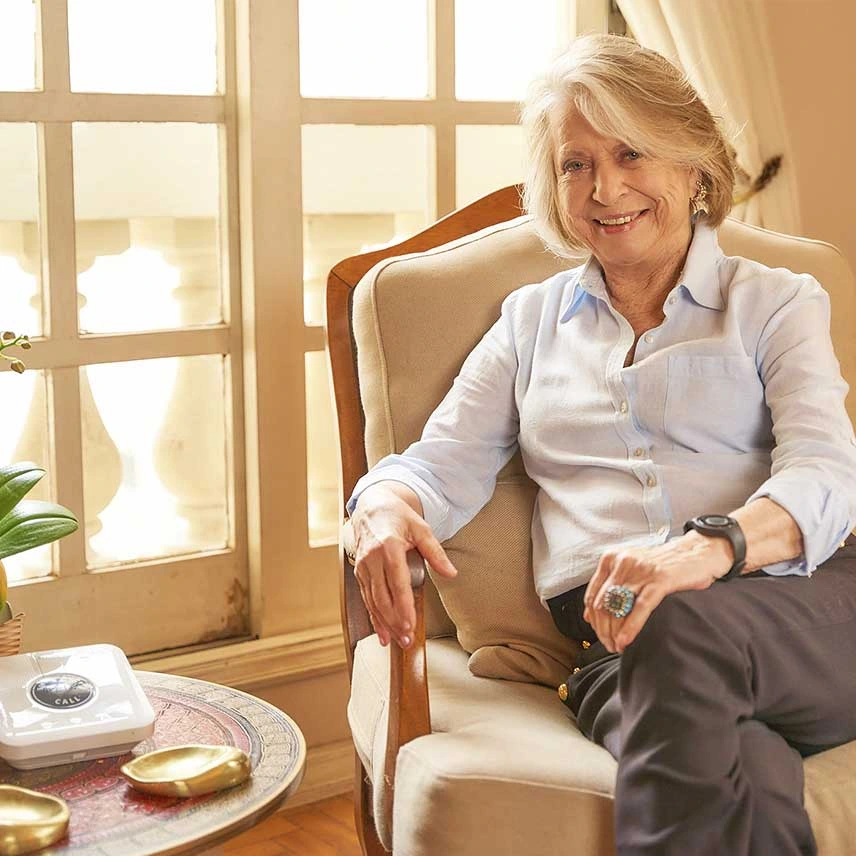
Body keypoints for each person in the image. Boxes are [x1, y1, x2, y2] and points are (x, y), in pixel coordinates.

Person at [346, 33, 856, 856]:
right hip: (616, 649)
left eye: (631, 153)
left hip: (808, 612)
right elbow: (437, 467)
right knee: (742, 766)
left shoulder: (775, 302)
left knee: (679, 626)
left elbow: (827, 472)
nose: (604, 188)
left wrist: (706, 551)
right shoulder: (527, 324)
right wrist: (381, 505)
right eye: (576, 163)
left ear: (694, 168)